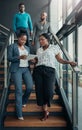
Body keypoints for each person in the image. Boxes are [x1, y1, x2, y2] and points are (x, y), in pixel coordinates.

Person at [32, 33, 77, 121]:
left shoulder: (54, 48)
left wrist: (69, 62)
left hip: (49, 70)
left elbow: (59, 59)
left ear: (47, 39)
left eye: (42, 39)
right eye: (39, 40)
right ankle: (45, 111)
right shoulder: (38, 50)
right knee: (40, 92)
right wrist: (33, 61)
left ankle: (46, 106)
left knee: (49, 92)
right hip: (38, 70)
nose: (40, 41)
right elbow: (37, 61)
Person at [7, 32, 33, 120]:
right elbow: (9, 58)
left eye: (25, 40)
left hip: (26, 69)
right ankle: (19, 113)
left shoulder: (27, 48)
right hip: (16, 69)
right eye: (22, 39)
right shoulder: (12, 46)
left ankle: (23, 101)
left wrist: (31, 60)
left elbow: (28, 58)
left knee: (29, 87)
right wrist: (19, 57)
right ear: (18, 38)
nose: (23, 41)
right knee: (18, 90)